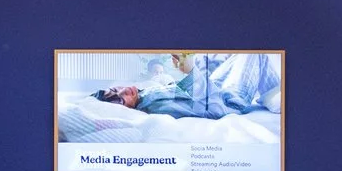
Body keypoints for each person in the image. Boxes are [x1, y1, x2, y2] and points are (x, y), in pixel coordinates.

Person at [96, 52, 278, 119]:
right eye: (120, 99)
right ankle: (277, 99)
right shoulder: (154, 107)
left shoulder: (145, 93)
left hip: (213, 86)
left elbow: (181, 90)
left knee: (239, 55)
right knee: (256, 55)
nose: (122, 91)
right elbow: (204, 108)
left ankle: (275, 94)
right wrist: (190, 72)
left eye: (114, 89)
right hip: (227, 99)